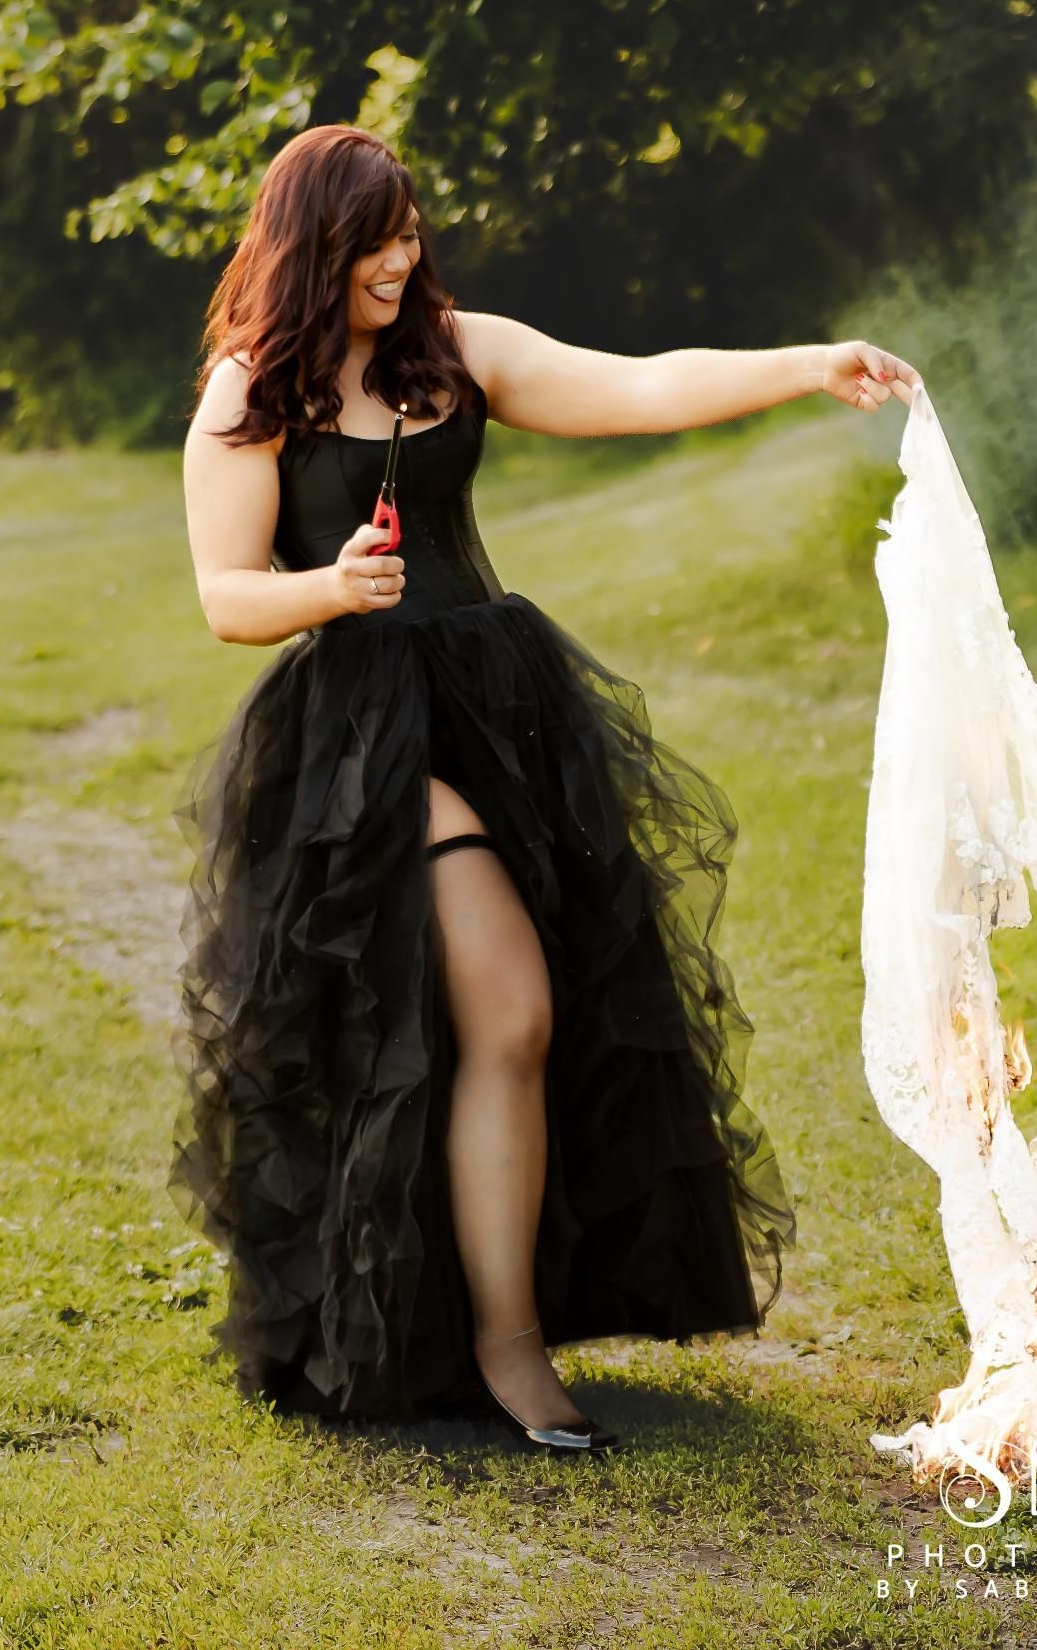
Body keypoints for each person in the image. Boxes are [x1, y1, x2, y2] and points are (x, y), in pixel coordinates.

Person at [174, 122, 921, 1454]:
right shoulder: (250, 395)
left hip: (499, 711)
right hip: (358, 744)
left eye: (409, 228)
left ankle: (484, 1315)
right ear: (312, 245)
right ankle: (508, 1355)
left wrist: (810, 365)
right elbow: (227, 596)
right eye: (373, 238)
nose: (400, 257)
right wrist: (329, 587)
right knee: (506, 1004)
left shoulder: (454, 354)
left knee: (511, 1025)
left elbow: (636, 386)